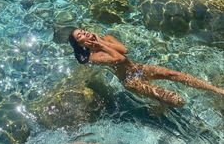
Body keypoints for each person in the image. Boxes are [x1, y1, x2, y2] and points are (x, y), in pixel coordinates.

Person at [68, 28, 224, 108]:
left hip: (139, 68)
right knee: (177, 100)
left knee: (173, 74)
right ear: (79, 44)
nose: (84, 33)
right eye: (79, 36)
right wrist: (99, 45)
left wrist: (102, 41)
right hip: (131, 80)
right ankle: (163, 105)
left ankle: (217, 90)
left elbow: (124, 51)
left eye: (82, 30)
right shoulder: (93, 58)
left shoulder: (107, 37)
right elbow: (119, 59)